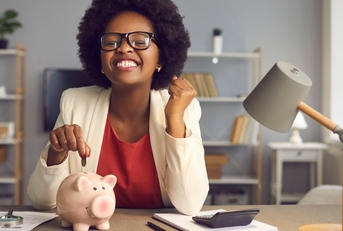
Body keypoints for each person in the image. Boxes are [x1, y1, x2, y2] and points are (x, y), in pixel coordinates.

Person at [27, 0, 209, 215]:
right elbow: (42, 202)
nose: (123, 48)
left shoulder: (183, 109)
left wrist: (175, 120)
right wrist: (57, 153)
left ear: (162, 57)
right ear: (100, 59)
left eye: (140, 40)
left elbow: (190, 204)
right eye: (112, 41)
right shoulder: (75, 103)